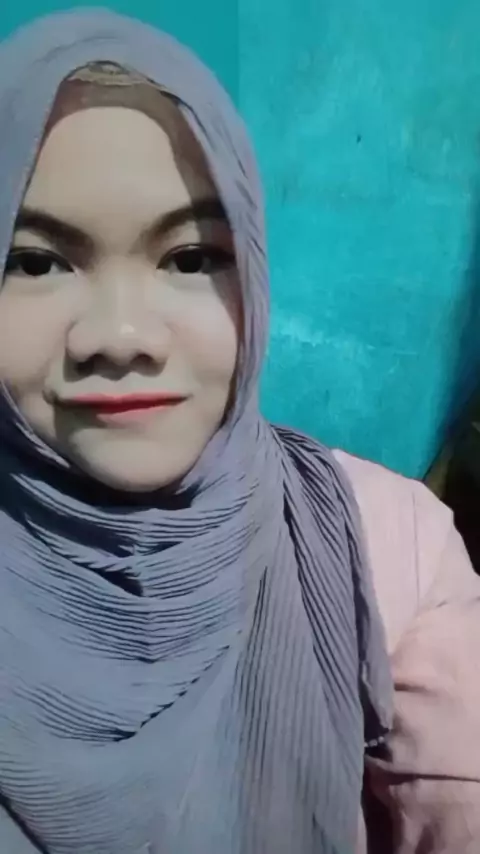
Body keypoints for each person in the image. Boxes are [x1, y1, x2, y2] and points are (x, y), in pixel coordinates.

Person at [0, 9, 478, 854]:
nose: (122, 336)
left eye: (190, 258)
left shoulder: (384, 548)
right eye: (36, 261)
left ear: (251, 272)